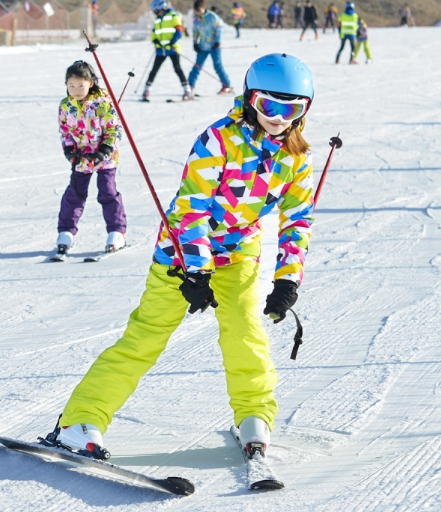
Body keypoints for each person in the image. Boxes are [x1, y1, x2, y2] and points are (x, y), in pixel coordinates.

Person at [44, 53, 318, 462]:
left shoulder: (297, 156)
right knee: (145, 337)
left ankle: (254, 416)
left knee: (246, 336)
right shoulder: (219, 139)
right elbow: (191, 209)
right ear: (250, 99)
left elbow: (297, 219)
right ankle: (79, 421)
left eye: (291, 109)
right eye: (269, 106)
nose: (278, 118)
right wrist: (196, 270)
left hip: (239, 255)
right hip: (181, 254)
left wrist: (287, 279)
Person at [54, 61, 127, 259]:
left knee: (107, 192)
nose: (76, 90)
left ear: (91, 83)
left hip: (105, 156)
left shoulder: (104, 103)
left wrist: (104, 150)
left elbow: (114, 129)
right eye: (71, 86)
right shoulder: (66, 105)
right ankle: (66, 231)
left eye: (81, 85)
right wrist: (69, 150)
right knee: (75, 194)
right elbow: (65, 130)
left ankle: (117, 232)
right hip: (81, 157)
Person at [143, 0, 192, 101]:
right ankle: (146, 89)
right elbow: (154, 32)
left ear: (159, 8)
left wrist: (173, 42)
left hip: (172, 48)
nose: (154, 13)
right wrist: (155, 40)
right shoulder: (158, 19)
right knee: (154, 69)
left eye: (155, 10)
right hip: (161, 49)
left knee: (177, 68)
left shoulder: (173, 15)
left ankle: (187, 90)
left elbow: (179, 30)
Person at [189, 0, 233, 95]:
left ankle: (227, 86)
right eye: (196, 11)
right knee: (197, 66)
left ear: (203, 8)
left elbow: (219, 28)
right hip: (203, 47)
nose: (198, 12)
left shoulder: (212, 17)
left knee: (217, 66)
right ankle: (190, 85)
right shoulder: (196, 20)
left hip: (214, 47)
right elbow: (195, 32)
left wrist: (217, 42)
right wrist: (195, 43)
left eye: (199, 10)